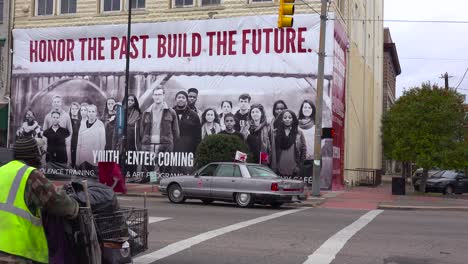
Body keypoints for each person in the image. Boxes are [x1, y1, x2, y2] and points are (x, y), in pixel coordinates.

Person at [0, 137, 79, 264]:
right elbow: (56, 202)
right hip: (15, 252)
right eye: (39, 154)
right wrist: (75, 208)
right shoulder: (30, 174)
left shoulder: (2, 170)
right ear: (33, 155)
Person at [140, 85, 179, 177]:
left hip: (165, 145)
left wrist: (169, 143)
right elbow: (141, 131)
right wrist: (145, 141)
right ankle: (152, 184)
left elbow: (176, 132)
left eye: (160, 94)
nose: (157, 97)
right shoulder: (146, 112)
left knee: (165, 170)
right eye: (155, 94)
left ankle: (163, 186)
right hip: (149, 145)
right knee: (150, 170)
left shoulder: (171, 112)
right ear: (153, 96)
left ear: (164, 95)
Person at [272, 109, 306, 176]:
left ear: (293, 119)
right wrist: (275, 167)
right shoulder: (275, 133)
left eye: (290, 117)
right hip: (278, 170)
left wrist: (299, 166)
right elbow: (272, 150)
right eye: (285, 118)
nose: (287, 119)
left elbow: (303, 150)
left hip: (294, 170)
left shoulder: (299, 133)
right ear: (281, 119)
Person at [298, 99, 316, 178]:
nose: (307, 109)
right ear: (302, 109)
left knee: (311, 185)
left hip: (313, 160)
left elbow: (324, 141)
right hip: (299, 160)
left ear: (313, 110)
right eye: (305, 107)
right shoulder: (296, 124)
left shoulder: (319, 123)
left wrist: (312, 153)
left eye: (309, 108)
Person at [68, 102, 81, 168]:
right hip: (69, 145)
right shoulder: (68, 121)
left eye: (76, 108)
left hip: (78, 145)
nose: (74, 110)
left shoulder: (81, 122)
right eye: (72, 108)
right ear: (70, 110)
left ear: (78, 110)